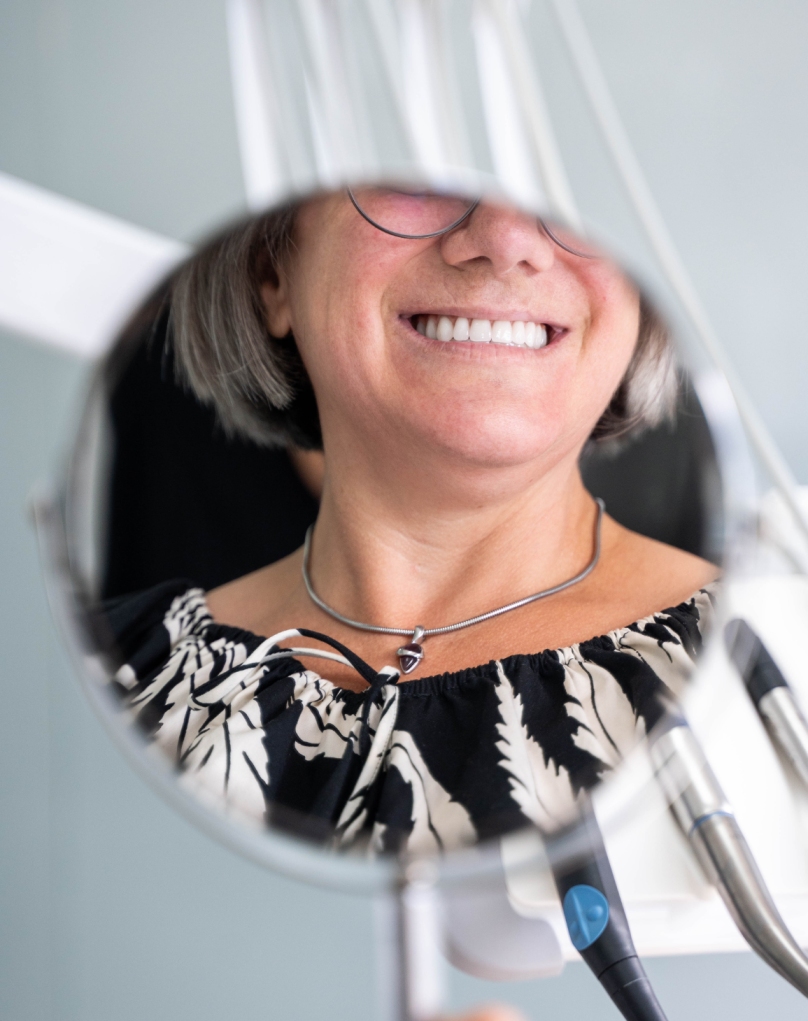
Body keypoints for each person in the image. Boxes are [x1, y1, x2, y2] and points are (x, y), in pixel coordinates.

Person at [106, 187, 719, 851]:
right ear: (272, 273)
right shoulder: (113, 671)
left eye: (565, 184)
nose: (507, 239)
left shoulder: (769, 664)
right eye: (418, 175)